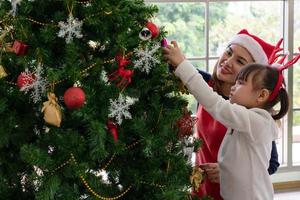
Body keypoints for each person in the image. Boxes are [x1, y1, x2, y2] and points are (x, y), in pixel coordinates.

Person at [162, 40, 297, 199]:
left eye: (241, 82)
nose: (234, 86)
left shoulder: (255, 121)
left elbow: (214, 103)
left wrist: (183, 64)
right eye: (229, 52)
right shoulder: (246, 114)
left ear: (261, 95)